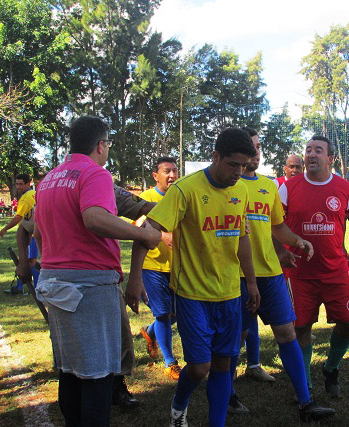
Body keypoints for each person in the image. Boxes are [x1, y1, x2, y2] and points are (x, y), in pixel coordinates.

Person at [33, 115, 160, 426]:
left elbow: (37, 230)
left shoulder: (50, 178)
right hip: (88, 284)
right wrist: (143, 234)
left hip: (55, 280)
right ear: (101, 145)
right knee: (99, 370)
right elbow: (94, 218)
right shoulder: (96, 174)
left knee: (71, 367)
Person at [136, 127, 259, 427]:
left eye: (244, 165)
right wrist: (134, 278)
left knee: (223, 364)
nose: (239, 172)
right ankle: (179, 406)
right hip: (192, 295)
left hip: (229, 293)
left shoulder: (241, 190)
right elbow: (148, 228)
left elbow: (243, 238)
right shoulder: (185, 190)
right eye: (233, 164)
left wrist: (252, 281)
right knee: (200, 367)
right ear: (216, 156)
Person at [228, 128, 335, 422]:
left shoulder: (268, 186)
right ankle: (228, 395)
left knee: (287, 333)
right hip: (234, 276)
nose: (257, 152)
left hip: (271, 273)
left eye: (259, 147)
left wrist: (296, 241)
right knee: (236, 338)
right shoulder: (227, 185)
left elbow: (277, 227)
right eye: (252, 148)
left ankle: (305, 402)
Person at [278, 135, 349, 398]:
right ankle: (305, 381)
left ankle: (331, 368)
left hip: (336, 271)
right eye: (308, 150)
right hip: (299, 273)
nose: (311, 154)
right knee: (301, 327)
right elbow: (272, 224)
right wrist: (279, 252)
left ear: (330, 158)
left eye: (318, 150)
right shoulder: (288, 187)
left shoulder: (345, 188)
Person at [136, 156, 182, 380]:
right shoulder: (146, 198)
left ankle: (149, 331)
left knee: (177, 314)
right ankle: (170, 362)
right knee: (164, 314)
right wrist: (162, 235)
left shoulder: (181, 196)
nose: (172, 175)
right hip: (152, 266)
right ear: (155, 175)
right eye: (167, 171)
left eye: (175, 171)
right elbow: (137, 226)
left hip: (178, 267)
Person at [0, 174, 38, 295]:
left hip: (32, 235)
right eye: (16, 184)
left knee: (30, 262)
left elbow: (18, 218)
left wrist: (5, 228)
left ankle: (37, 288)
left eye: (21, 184)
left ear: (28, 183)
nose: (18, 187)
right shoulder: (34, 194)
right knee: (26, 261)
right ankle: (20, 286)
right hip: (33, 232)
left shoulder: (26, 197)